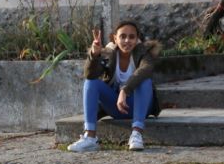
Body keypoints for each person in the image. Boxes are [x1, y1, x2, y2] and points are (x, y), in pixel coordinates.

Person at [67, 20, 161, 152]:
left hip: (140, 106)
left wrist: (125, 90)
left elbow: (146, 69)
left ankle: (136, 134)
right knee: (91, 82)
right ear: (115, 38)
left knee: (145, 81)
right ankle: (90, 137)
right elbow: (90, 74)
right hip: (117, 107)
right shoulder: (109, 54)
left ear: (137, 39)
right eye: (123, 36)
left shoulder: (143, 53)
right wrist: (94, 55)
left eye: (131, 37)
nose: (127, 40)